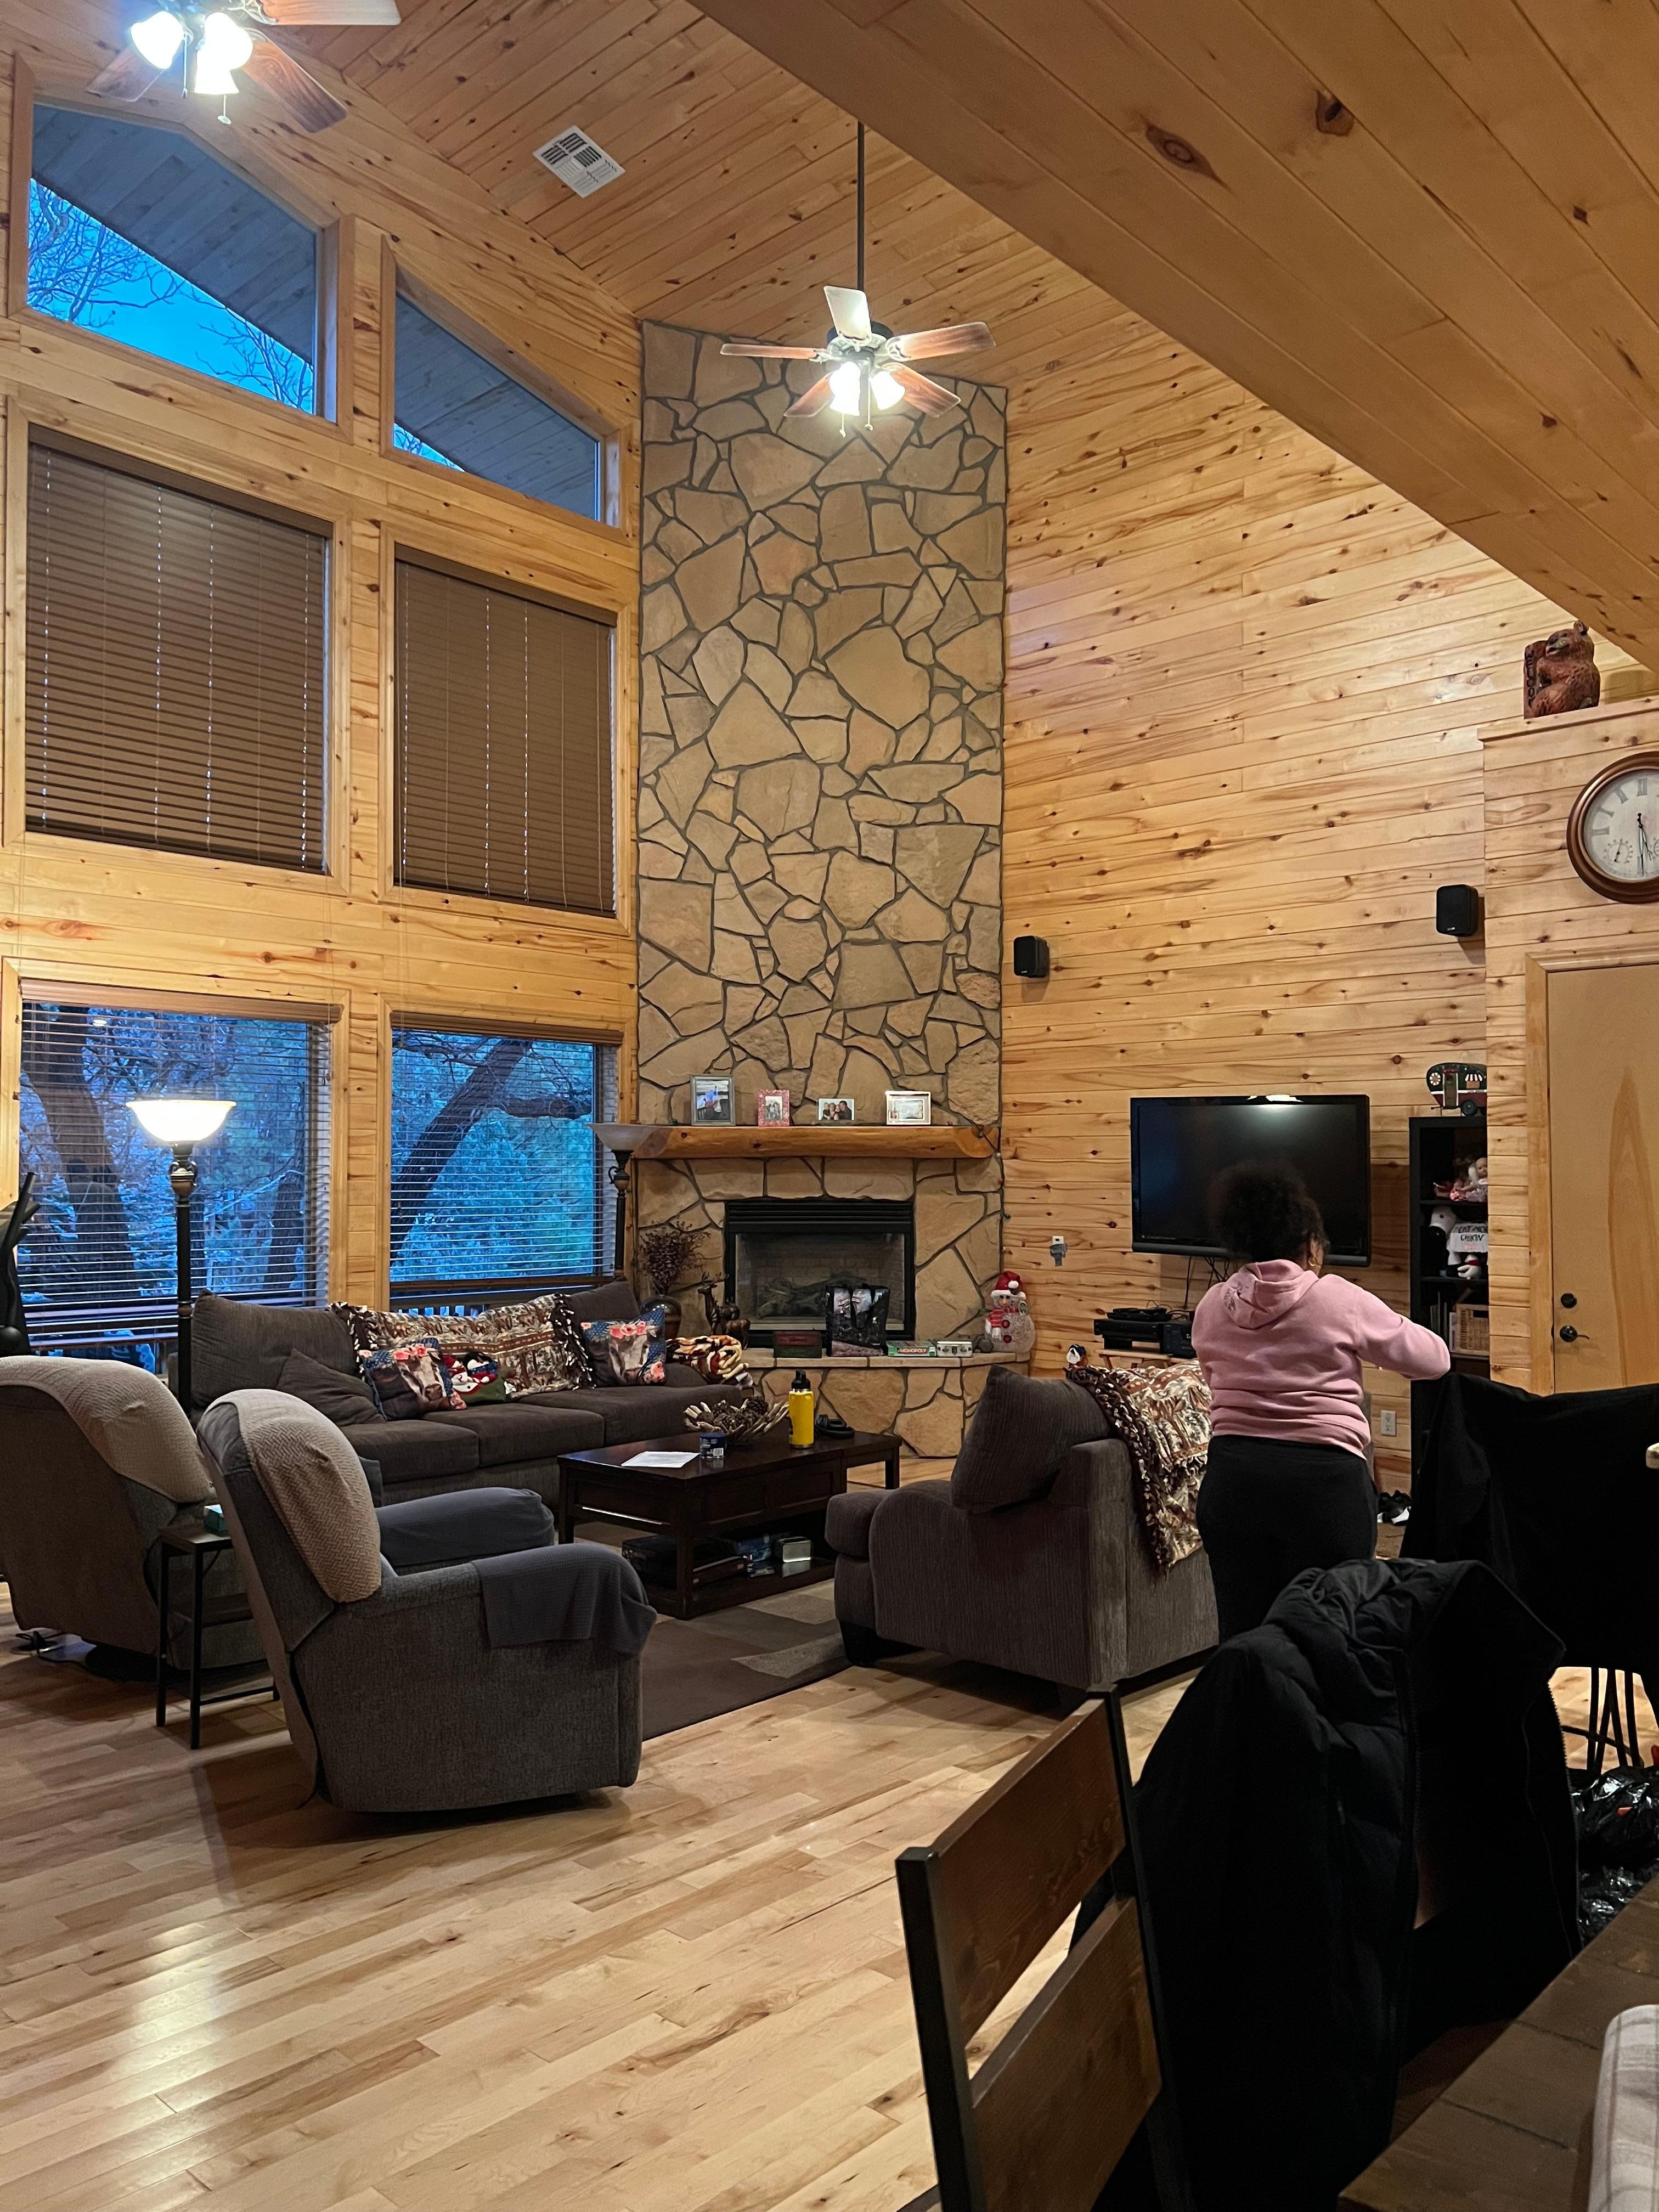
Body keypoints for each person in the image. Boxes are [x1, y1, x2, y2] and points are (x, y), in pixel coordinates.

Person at [1192, 1160, 1450, 1641]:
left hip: (1231, 1482)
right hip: (1322, 1489)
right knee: (1335, 1638)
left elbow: (1212, 1376)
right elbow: (1434, 1359)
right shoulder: (1338, 1298)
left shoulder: (1211, 1305)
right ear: (1309, 1243)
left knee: (1247, 1643)